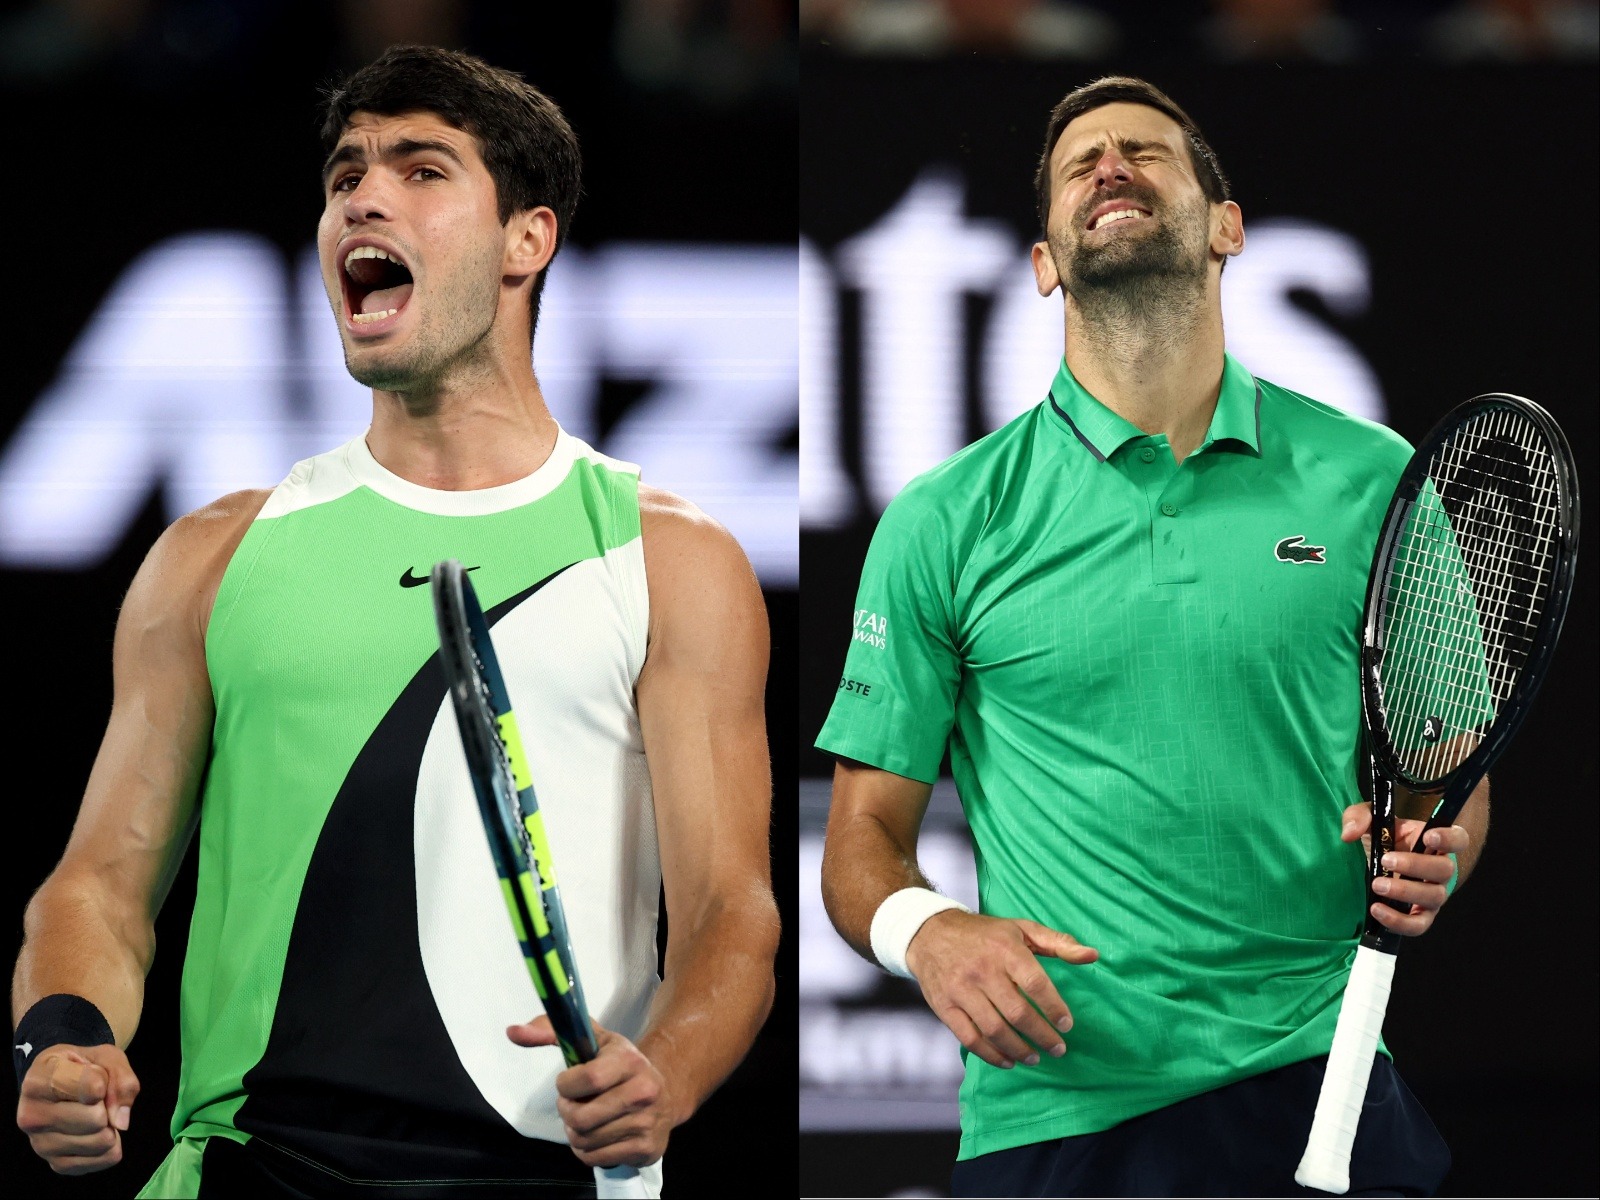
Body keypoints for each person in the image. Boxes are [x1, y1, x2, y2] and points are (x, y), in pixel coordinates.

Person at [12, 45, 777, 1199]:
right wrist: (63, 1037)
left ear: (529, 240)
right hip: (247, 1165)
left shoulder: (672, 557)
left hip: (540, 1174)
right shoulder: (213, 553)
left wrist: (663, 1073)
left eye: (422, 170)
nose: (361, 197)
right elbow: (99, 887)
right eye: (344, 176)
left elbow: (730, 913)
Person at [816, 75, 1480, 1197]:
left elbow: (1447, 776)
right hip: (1058, 1120)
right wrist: (927, 932)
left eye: (1142, 152)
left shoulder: (1374, 481)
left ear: (1225, 228)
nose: (1108, 167)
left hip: (1321, 1083)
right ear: (1044, 264)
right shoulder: (944, 519)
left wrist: (1435, 849)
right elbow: (858, 845)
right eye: (1080, 163)